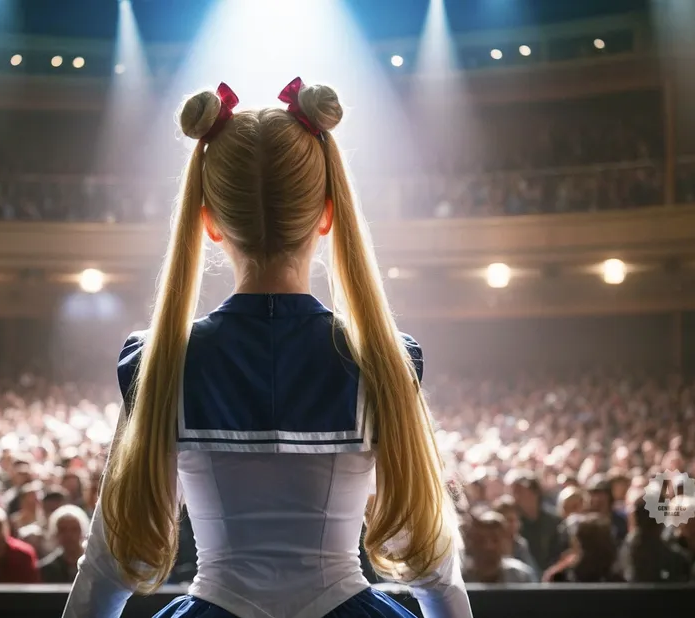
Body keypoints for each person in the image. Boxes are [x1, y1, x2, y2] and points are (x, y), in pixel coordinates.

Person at [62, 79, 471, 618]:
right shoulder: (384, 361)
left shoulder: (163, 362)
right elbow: (435, 573)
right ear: (327, 214)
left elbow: (107, 573)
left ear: (208, 220)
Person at [462, 511, 537, 583]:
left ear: (505, 542)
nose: (489, 546)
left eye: (495, 540)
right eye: (481, 540)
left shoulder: (521, 577)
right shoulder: (460, 578)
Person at [38, 505, 89, 584]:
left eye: (74, 529)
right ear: (56, 533)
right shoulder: (47, 568)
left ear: (82, 532)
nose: (69, 535)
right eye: (63, 530)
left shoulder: (94, 566)